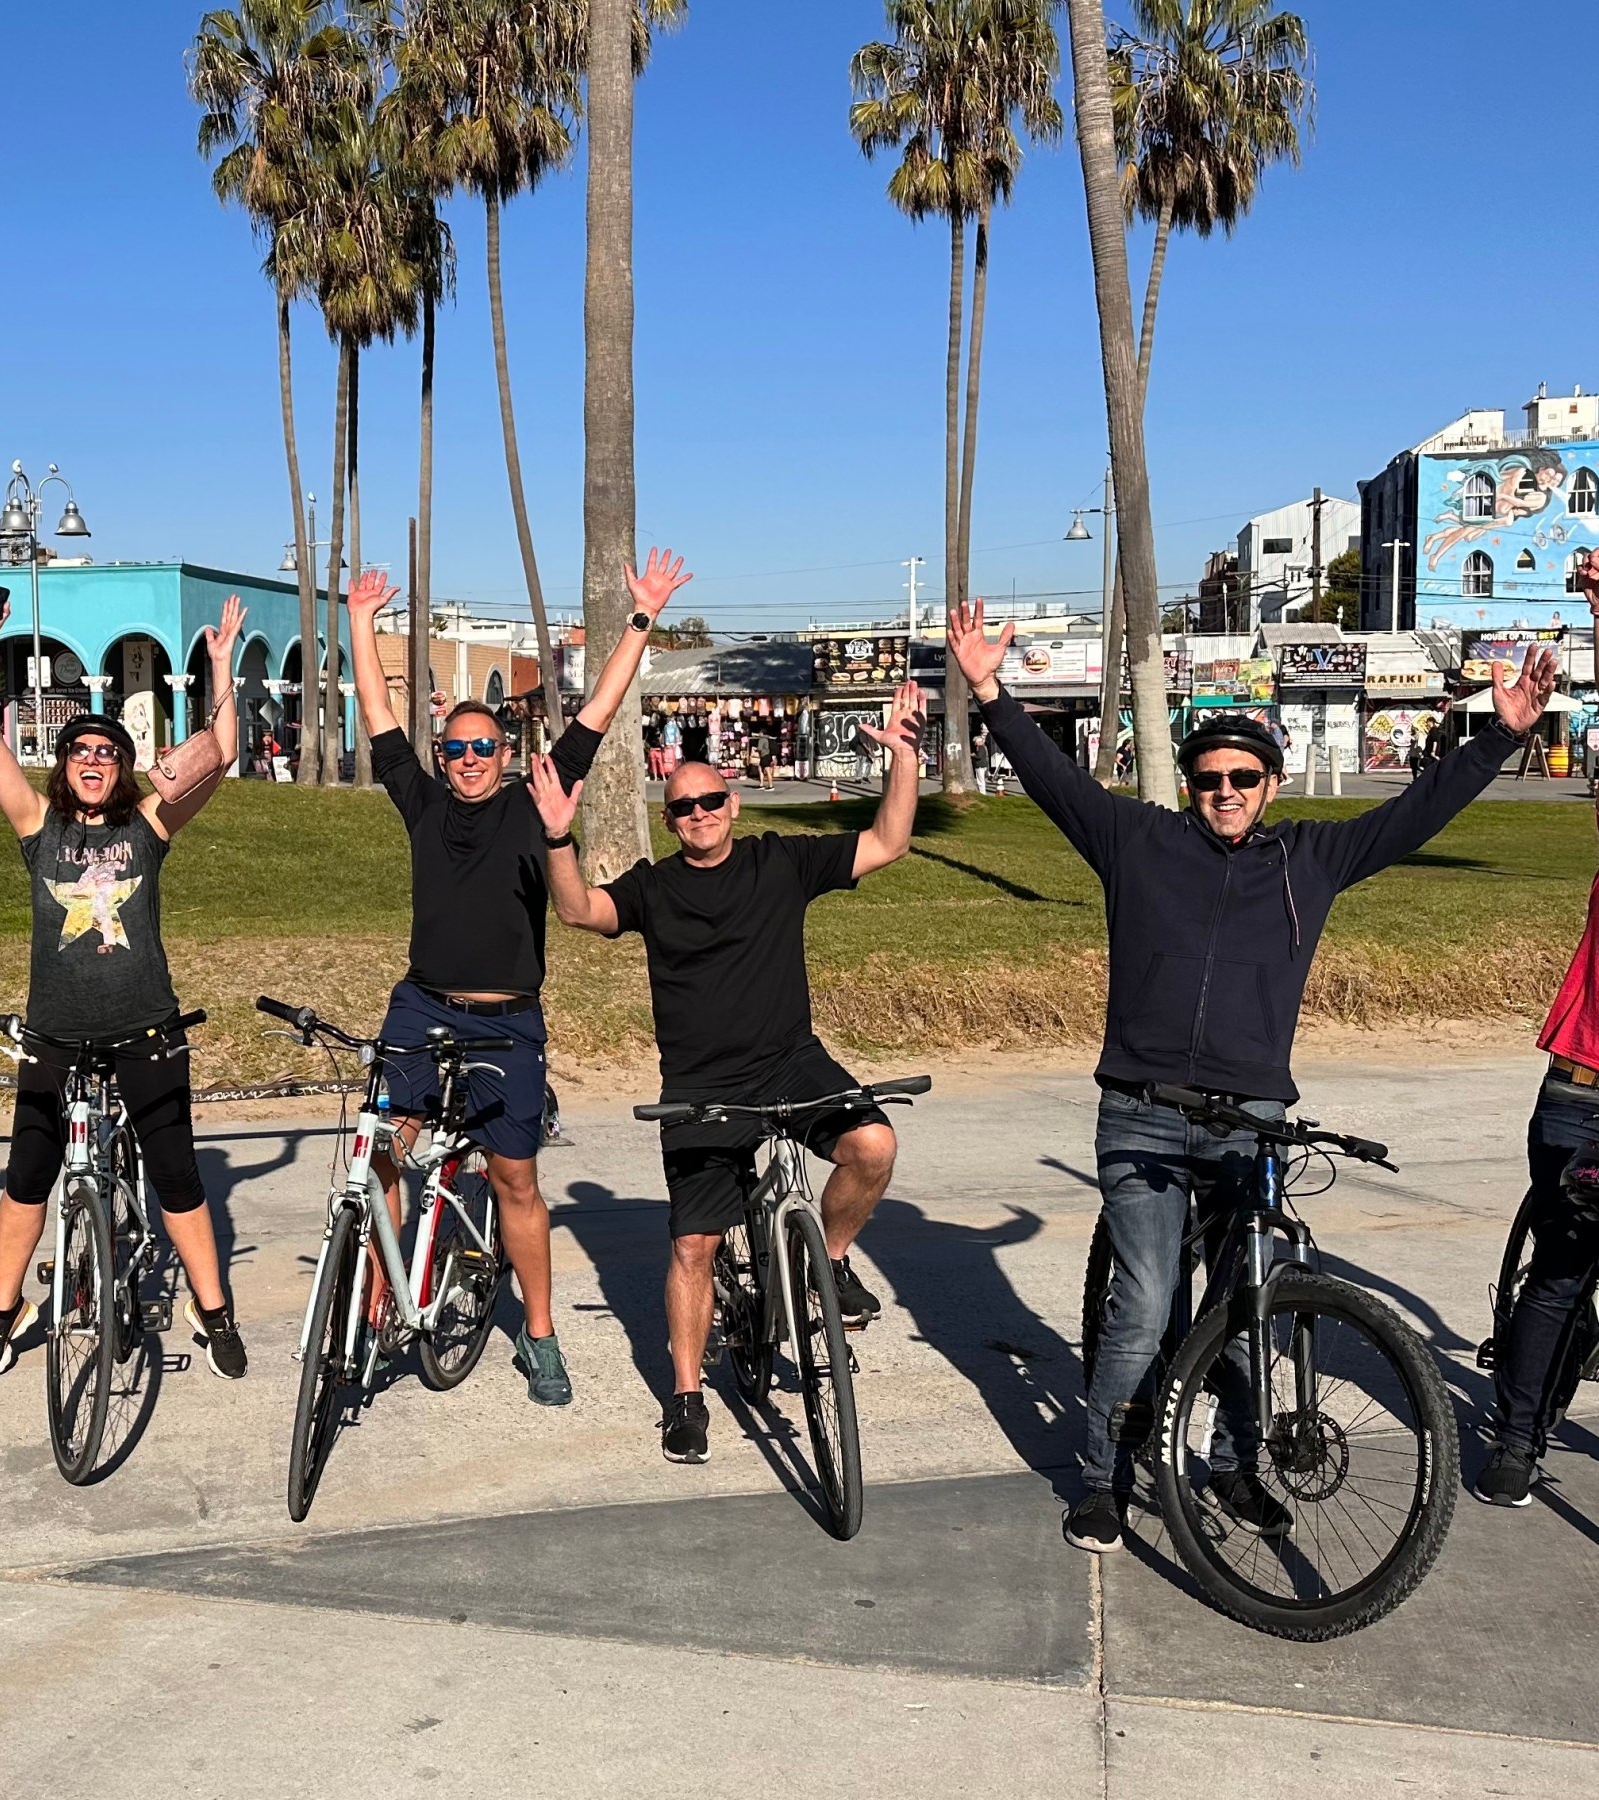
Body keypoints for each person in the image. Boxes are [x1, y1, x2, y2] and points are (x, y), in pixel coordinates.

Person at [947, 596, 1558, 1555]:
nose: (1224, 791)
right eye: (1207, 778)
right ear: (1188, 785)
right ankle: (1100, 1476)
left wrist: (1495, 738)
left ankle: (1232, 1465)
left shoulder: (1311, 857)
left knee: (1242, 1316)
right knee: (1147, 1304)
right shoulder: (1137, 842)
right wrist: (989, 688)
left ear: (1271, 783)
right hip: (1142, 1114)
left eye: (1242, 776)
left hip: (1250, 1121)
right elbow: (1053, 780)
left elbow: (1412, 816)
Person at [534, 683, 927, 1464]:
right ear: (668, 818)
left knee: (874, 1145)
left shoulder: (780, 862)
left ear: (735, 803)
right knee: (694, 1248)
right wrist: (556, 837)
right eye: (683, 808)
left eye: (711, 800)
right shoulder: (653, 887)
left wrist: (905, 760)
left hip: (791, 1061)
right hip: (700, 1084)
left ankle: (832, 1261)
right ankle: (685, 1394)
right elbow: (579, 911)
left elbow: (888, 842)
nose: (699, 815)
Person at [345, 548, 689, 1406]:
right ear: (441, 754)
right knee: (388, 1149)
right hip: (421, 1005)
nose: (467, 759)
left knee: (516, 1180)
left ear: (507, 749)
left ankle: (539, 1334)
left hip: (507, 1022)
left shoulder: (537, 798)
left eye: (482, 746)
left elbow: (602, 711)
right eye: (455, 748)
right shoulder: (420, 803)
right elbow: (378, 711)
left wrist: (641, 614)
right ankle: (380, 1289)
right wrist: (359, 619)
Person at [0, 578, 253, 1382]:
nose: (94, 762)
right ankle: (3, 1309)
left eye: (108, 753)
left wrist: (220, 666)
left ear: (124, 768)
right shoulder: (37, 827)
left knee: (177, 1174)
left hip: (147, 1029)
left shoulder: (149, 826)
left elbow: (219, 757)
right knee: (27, 1173)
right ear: (63, 767)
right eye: (81, 752)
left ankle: (212, 1307)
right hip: (52, 1032)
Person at [1480, 562, 1599, 1507]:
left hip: (1576, 1087)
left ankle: (1515, 1447)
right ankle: (1517, 1441)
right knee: (1560, 1280)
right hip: (1583, 1088)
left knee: (1559, 1281)